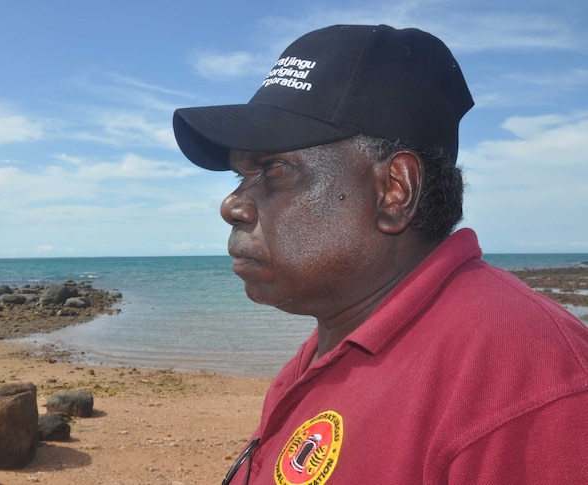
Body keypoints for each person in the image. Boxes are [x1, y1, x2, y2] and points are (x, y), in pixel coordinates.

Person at [173, 24, 588, 484]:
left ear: (394, 191)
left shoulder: (526, 389)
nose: (232, 206)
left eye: (273, 170)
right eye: (239, 178)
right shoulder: (335, 339)